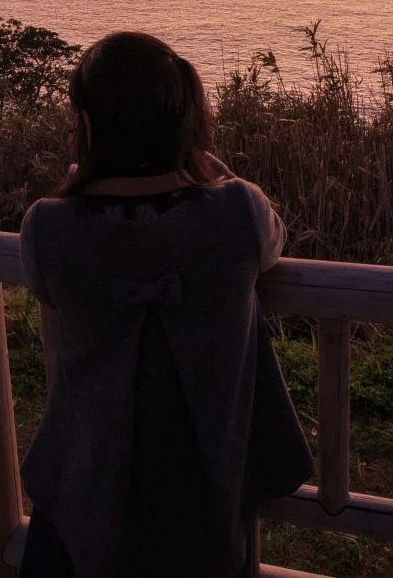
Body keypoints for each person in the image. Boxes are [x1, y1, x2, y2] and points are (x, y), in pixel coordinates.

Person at [18, 32, 313, 578]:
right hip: (204, 477)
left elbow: (45, 287)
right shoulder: (238, 214)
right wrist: (198, 162)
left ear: (87, 123)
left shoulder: (48, 227)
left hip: (86, 472)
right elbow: (270, 239)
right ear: (185, 116)